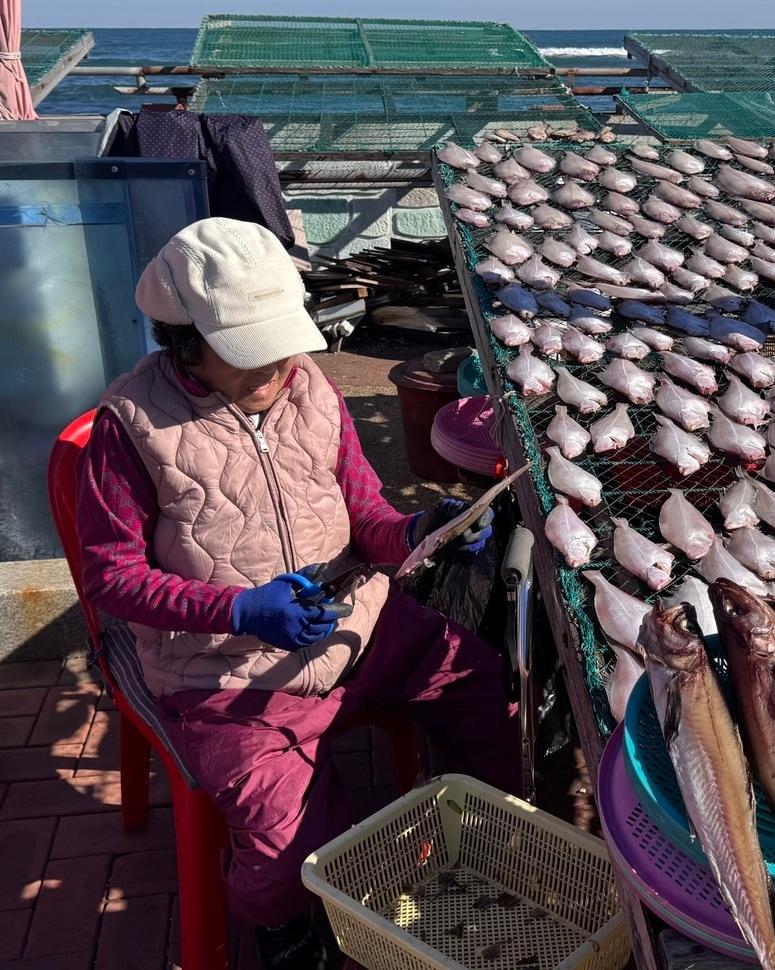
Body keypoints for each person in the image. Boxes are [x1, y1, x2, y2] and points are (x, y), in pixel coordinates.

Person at [75, 218, 516, 970]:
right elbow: (110, 578)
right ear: (184, 342)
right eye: (251, 351)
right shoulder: (131, 428)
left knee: (490, 693)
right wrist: (240, 609)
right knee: (291, 853)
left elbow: (363, 511)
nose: (278, 364)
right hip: (228, 675)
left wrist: (414, 532)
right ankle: (279, 930)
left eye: (282, 341)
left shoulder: (310, 388)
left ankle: (485, 846)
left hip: (359, 627)